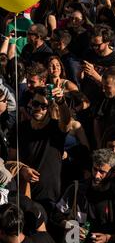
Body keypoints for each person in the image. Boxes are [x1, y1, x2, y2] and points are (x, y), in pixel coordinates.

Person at [53, 148, 115, 243]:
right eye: (95, 169)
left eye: (102, 172)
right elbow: (56, 215)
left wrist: (108, 238)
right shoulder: (76, 189)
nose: (97, 175)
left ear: (113, 173)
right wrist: (71, 227)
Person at [9, 86, 71, 214]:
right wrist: (22, 169)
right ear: (31, 103)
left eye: (44, 106)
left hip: (50, 198)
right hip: (25, 196)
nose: (39, 108)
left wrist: (61, 102)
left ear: (49, 109)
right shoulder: (19, 128)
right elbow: (11, 160)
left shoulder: (55, 128)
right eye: (36, 103)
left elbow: (66, 122)